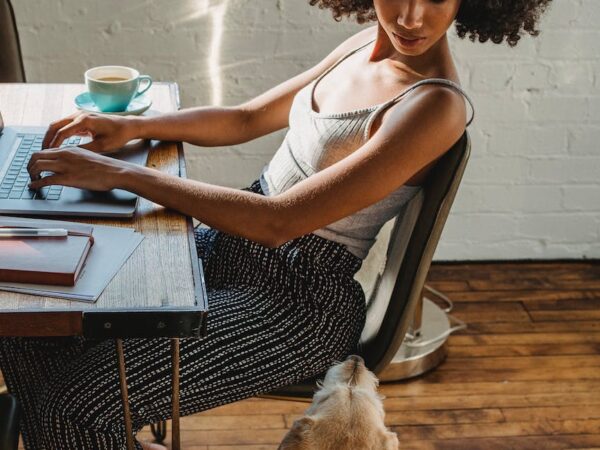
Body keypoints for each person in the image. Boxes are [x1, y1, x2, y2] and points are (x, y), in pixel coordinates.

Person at [1, 0, 551, 448]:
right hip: (229, 248)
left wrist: (118, 176)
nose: (410, 17)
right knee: (25, 325)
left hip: (298, 300)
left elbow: (279, 222)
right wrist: (126, 127)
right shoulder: (362, 45)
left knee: (74, 408)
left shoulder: (434, 107)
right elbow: (244, 119)